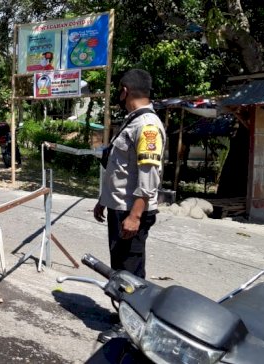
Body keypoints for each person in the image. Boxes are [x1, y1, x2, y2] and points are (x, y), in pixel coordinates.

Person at [92, 69, 166, 342]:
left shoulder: (146, 125)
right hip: (119, 207)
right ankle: (125, 313)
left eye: (119, 93)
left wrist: (135, 215)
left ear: (124, 90)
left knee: (131, 271)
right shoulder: (132, 121)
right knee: (121, 267)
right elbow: (120, 169)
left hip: (132, 211)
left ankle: (131, 327)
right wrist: (104, 200)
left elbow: (149, 176)